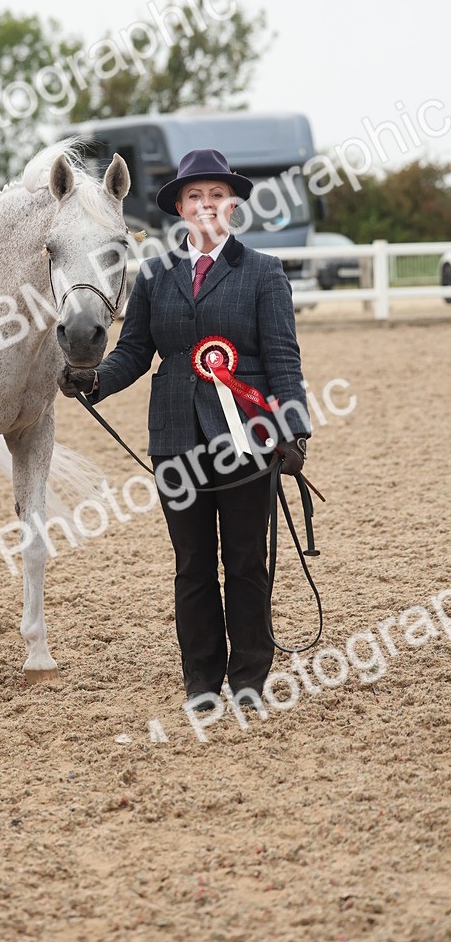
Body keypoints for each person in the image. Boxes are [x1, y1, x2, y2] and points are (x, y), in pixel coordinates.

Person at [58, 148, 310, 711]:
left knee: (245, 562)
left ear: (233, 204)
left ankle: (248, 677)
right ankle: (201, 681)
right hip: (174, 438)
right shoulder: (153, 276)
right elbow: (133, 354)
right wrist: (93, 380)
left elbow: (283, 359)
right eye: (194, 196)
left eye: (216, 195)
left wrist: (294, 429)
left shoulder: (265, 273)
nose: (206, 205)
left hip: (249, 436)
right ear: (179, 206)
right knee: (192, 563)